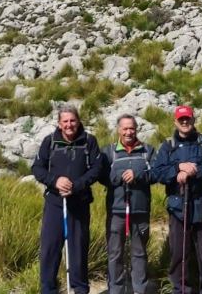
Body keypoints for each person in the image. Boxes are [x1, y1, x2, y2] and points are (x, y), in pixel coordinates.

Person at [152, 105, 202, 294]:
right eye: (181, 119)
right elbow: (157, 172)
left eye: (188, 118)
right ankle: (181, 289)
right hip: (178, 208)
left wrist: (196, 170)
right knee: (178, 254)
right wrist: (177, 170)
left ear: (193, 120)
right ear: (175, 121)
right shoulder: (168, 146)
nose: (185, 122)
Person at [32, 105, 102, 294]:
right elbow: (37, 168)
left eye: (72, 120)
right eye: (65, 121)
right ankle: (48, 290)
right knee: (50, 249)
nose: (69, 125)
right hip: (55, 203)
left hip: (79, 203)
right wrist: (55, 181)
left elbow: (97, 169)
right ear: (59, 123)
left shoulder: (89, 141)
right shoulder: (50, 141)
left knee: (78, 250)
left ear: (78, 121)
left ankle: (79, 290)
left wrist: (76, 185)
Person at [101, 114, 155, 294]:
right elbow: (100, 176)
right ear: (118, 130)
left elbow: (157, 174)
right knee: (115, 254)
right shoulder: (108, 152)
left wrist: (137, 174)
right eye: (125, 128)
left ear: (136, 129)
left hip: (140, 211)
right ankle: (115, 290)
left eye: (132, 128)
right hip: (116, 211)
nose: (128, 132)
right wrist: (118, 177)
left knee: (139, 253)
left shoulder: (148, 150)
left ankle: (139, 289)